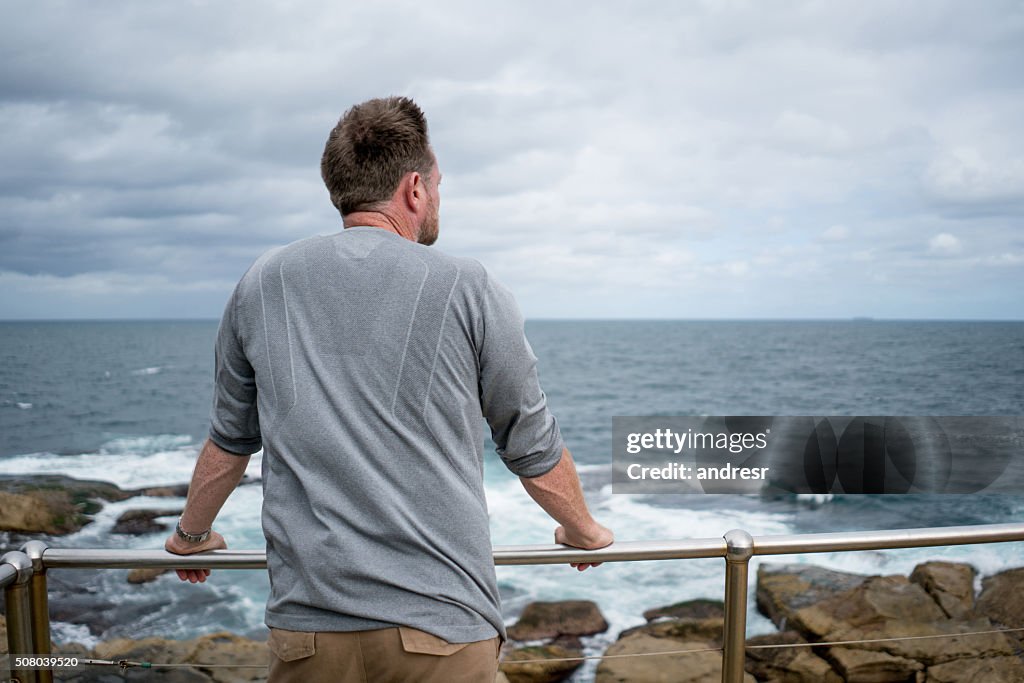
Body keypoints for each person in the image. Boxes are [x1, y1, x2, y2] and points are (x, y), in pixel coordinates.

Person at [164, 96, 613, 682]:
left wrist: (191, 535)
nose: (438, 197)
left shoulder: (261, 282)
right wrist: (584, 531)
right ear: (414, 189)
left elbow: (231, 442)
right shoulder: (469, 286)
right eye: (438, 182)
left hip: (309, 637)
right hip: (443, 630)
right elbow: (530, 446)